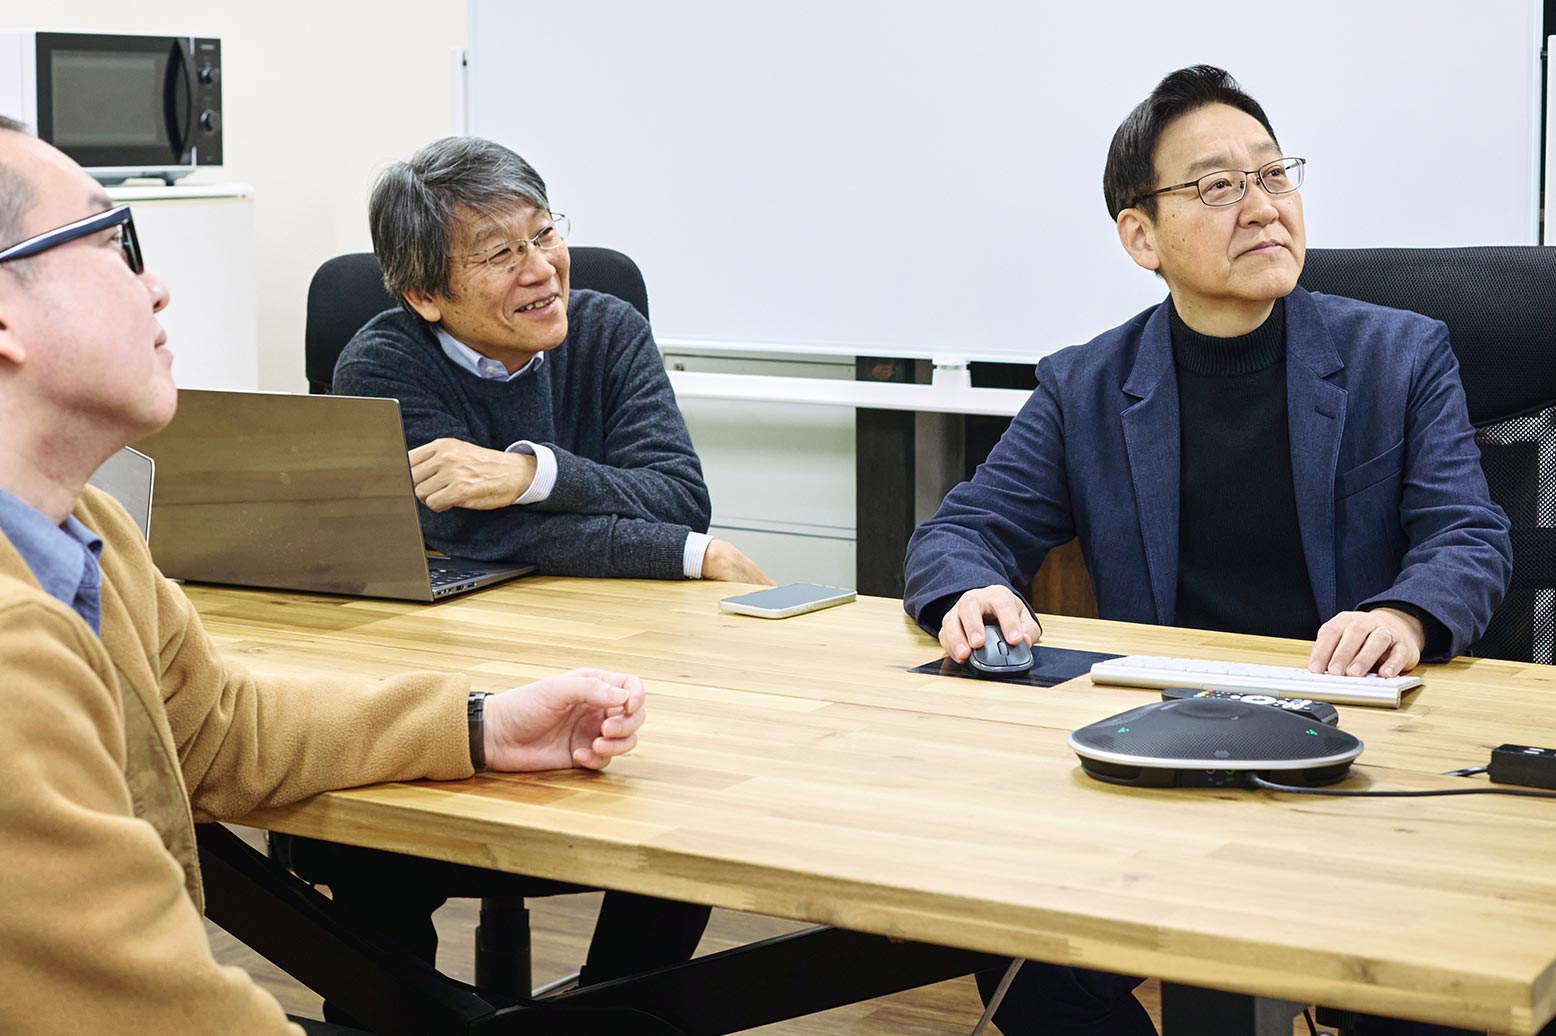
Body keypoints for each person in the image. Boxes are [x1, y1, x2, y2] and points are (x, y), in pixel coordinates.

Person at [0, 118, 654, 1034]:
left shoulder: (91, 530)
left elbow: (221, 728)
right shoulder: (12, 650)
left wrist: (481, 724)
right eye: (113, 243)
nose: (156, 285)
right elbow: (152, 1011)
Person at [903, 67, 1512, 1035]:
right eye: (1219, 185)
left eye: (1273, 174)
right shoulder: (1086, 385)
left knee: (1432, 990)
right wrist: (969, 588)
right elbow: (960, 530)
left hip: (1355, 749)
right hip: (1165, 746)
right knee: (1019, 947)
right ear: (1140, 237)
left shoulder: (1399, 355)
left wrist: (1403, 612)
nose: (1263, 206)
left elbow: (1466, 532)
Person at [332, 135, 769, 585]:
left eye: (543, 234)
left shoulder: (610, 329)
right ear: (425, 296)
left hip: (618, 606)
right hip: (472, 616)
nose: (543, 270)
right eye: (500, 253)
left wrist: (532, 474)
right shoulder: (381, 365)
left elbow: (679, 500)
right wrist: (691, 554)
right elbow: (473, 532)